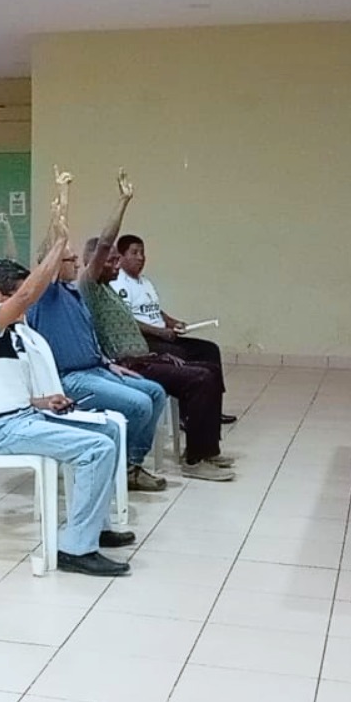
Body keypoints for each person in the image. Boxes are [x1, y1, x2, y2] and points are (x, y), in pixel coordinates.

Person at [0, 210, 136, 577]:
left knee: (109, 432)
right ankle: (75, 549)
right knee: (97, 449)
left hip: (24, 416)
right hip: (1, 430)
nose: (26, 308)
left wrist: (41, 401)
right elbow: (25, 296)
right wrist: (58, 245)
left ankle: (93, 527)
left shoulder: (12, 333)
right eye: (17, 300)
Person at [73, 169, 233, 481]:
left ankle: (207, 451)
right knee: (200, 379)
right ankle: (194, 460)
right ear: (94, 262)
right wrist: (123, 201)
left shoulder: (111, 289)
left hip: (147, 358)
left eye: (117, 259)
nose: (116, 265)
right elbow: (104, 242)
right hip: (128, 365)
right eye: (111, 260)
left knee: (210, 369)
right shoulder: (89, 288)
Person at [28, 171, 168, 491]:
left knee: (155, 393)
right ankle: (122, 468)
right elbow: (97, 244)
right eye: (69, 259)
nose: (77, 262)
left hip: (95, 369)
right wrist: (61, 204)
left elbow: (85, 337)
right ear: (52, 264)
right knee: (140, 405)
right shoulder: (46, 294)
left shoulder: (74, 292)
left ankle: (131, 465)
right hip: (71, 380)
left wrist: (107, 363)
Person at [112, 234, 235, 425]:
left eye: (142, 253)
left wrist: (172, 322)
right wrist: (159, 332)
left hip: (164, 335)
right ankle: (187, 415)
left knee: (210, 350)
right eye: (134, 253)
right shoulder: (119, 283)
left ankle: (212, 410)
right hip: (145, 341)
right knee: (180, 355)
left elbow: (155, 310)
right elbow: (127, 321)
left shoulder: (145, 282)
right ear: (121, 257)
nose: (140, 258)